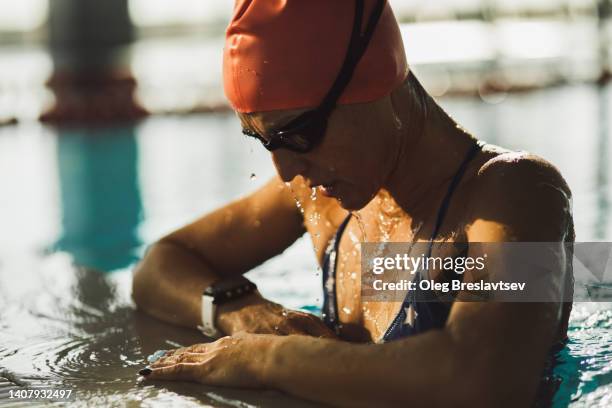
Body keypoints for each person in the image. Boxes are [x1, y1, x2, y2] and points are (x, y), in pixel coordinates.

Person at [132, 1, 575, 406]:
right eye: (264, 141)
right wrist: (240, 311)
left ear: (376, 81)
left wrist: (268, 358)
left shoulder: (517, 196)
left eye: (298, 135)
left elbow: (485, 380)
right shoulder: (322, 196)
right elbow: (161, 264)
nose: (286, 172)